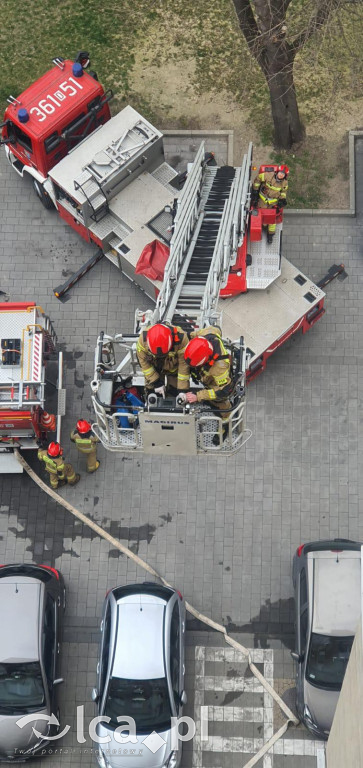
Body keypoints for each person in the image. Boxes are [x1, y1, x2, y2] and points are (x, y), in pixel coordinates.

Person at [181, 326, 234, 445]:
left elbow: (224, 390)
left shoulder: (219, 368)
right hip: (204, 373)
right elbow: (217, 329)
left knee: (223, 405)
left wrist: (198, 396)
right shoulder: (207, 333)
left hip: (217, 385)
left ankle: (224, 426)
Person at [136, 322, 190, 396]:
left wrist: (182, 390)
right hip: (154, 369)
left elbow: (183, 365)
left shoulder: (181, 339)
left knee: (174, 392)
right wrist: (156, 382)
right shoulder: (143, 340)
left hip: (173, 370)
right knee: (152, 393)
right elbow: (144, 363)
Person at [251, 164, 289, 244]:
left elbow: (283, 192)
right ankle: (259, 229)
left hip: (273, 203)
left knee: (272, 220)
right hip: (263, 199)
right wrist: (255, 190)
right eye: (280, 173)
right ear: (277, 172)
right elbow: (258, 179)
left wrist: (282, 200)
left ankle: (270, 235)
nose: (281, 175)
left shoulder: (284, 183)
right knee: (259, 215)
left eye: (283, 174)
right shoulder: (268, 175)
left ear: (285, 176)